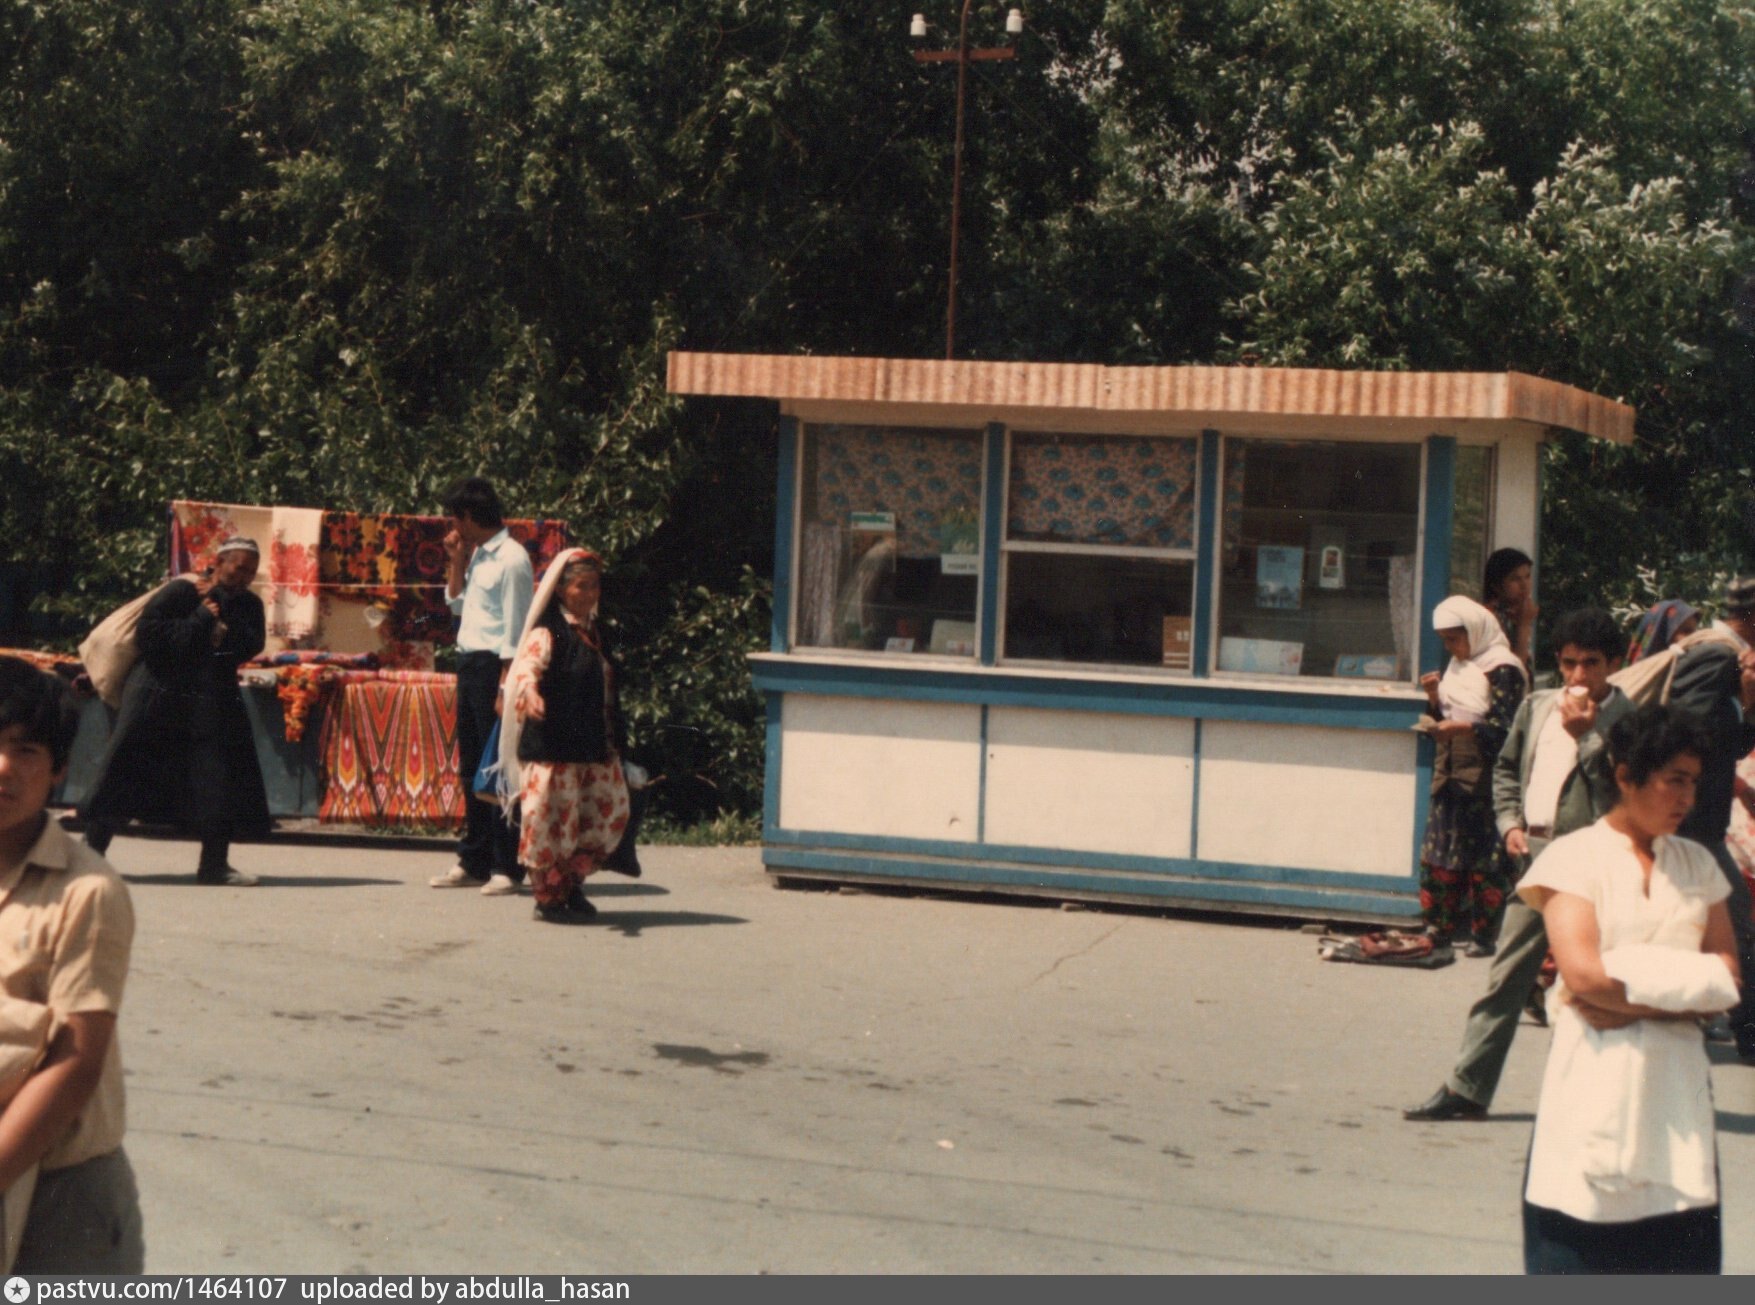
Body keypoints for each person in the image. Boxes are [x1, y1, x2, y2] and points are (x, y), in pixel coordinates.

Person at [1517, 704, 1739, 1274]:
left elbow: (1727, 978)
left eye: (1693, 782)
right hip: (1593, 1081)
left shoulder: (1698, 865)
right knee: (1580, 1252)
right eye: (1674, 780)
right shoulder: (1574, 859)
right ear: (1625, 776)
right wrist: (1683, 994)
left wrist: (1635, 997)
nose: (1686, 797)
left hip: (1677, 1095)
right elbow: (1583, 976)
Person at [1404, 609, 1631, 1122]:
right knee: (1505, 977)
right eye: (1569, 663)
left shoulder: (1629, 721)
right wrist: (1510, 822)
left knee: (1595, 985)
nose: (1578, 676)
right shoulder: (1538, 705)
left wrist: (1587, 736)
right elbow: (1507, 769)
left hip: (1596, 863)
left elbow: (1623, 796)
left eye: (1591, 664)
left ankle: (1607, 1101)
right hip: (1538, 858)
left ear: (1613, 664)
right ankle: (1467, 1088)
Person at [0, 657, 143, 1272]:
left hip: (62, 1194)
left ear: (58, 769)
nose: (3, 768)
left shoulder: (87, 891)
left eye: (25, 750)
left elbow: (76, 1064)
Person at [80, 537, 270, 885]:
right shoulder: (183, 591)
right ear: (219, 562)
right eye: (239, 567)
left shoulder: (248, 605)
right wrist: (201, 619)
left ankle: (214, 865)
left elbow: (248, 644)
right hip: (156, 695)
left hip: (211, 700)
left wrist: (219, 615)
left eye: (251, 571)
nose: (244, 577)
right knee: (126, 772)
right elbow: (151, 636)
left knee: (218, 780)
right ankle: (89, 858)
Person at [493, 549, 631, 924]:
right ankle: (548, 898)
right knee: (550, 823)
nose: (588, 594)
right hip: (553, 748)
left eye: (594, 586)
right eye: (580, 586)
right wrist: (530, 694)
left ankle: (570, 887)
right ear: (560, 590)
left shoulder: (597, 632)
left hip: (593, 746)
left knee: (597, 818)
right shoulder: (548, 632)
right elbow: (527, 669)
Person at [1665, 575, 1755, 1060]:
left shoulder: (1729, 658)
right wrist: (1743, 702)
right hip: (1691, 825)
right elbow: (1687, 733)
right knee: (1736, 922)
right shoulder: (1718, 656)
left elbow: (1732, 746)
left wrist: (1747, 704)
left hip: (1700, 825)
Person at [430, 478, 533, 896]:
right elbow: (456, 603)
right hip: (470, 663)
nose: (452, 526)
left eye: (455, 518)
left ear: (470, 516)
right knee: (473, 767)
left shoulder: (512, 559)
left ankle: (507, 865)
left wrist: (507, 685)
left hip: (496, 668)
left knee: (501, 767)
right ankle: (474, 858)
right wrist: (457, 560)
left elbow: (517, 628)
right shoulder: (477, 554)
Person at [1418, 596, 1529, 953]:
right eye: (1445, 640)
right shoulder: (1458, 666)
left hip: (1485, 777)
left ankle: (1483, 935)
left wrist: (1463, 729)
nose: (1450, 647)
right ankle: (1438, 927)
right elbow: (1446, 715)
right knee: (1441, 850)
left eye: (1455, 638)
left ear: (1475, 630)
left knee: (1487, 858)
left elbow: (1508, 728)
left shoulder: (1503, 668)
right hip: (1449, 774)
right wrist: (1433, 698)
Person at [1484, 548, 1537, 670]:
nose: (1524, 585)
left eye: (1527, 576)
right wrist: (1523, 625)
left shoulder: (1518, 611)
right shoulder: (1491, 617)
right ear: (1496, 586)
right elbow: (1514, 670)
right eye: (1515, 579)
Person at [1625, 598, 1700, 666]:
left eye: (1694, 632)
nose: (1695, 637)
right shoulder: (1635, 674)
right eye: (1686, 631)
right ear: (1661, 635)